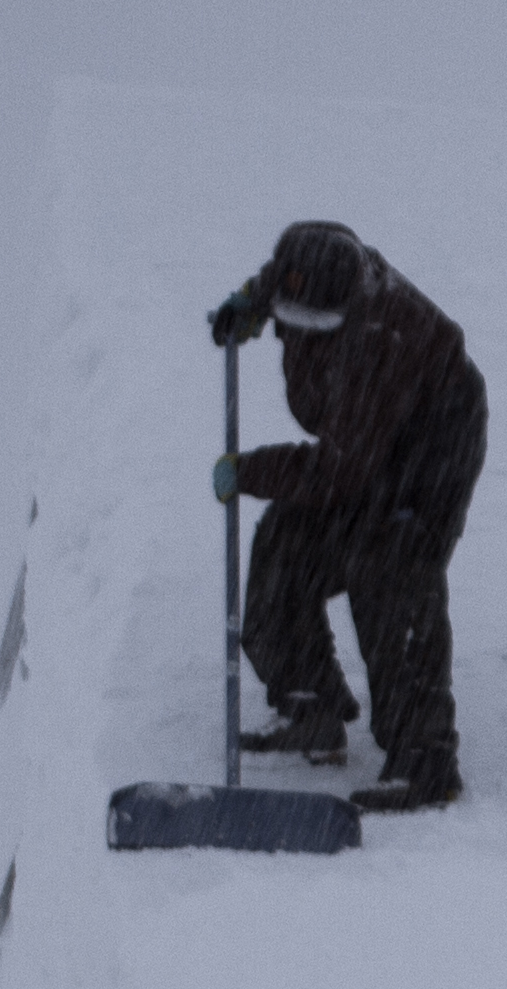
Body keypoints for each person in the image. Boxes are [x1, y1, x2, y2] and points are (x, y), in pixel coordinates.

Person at [208, 218, 490, 812]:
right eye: (293, 321)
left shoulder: (378, 343)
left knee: (389, 566)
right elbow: (293, 271)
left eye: (316, 326)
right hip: (359, 442)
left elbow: (340, 472)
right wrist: (253, 303)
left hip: (432, 446)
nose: (301, 334)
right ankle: (311, 707)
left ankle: (425, 759)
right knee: (289, 543)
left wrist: (250, 470)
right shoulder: (319, 273)